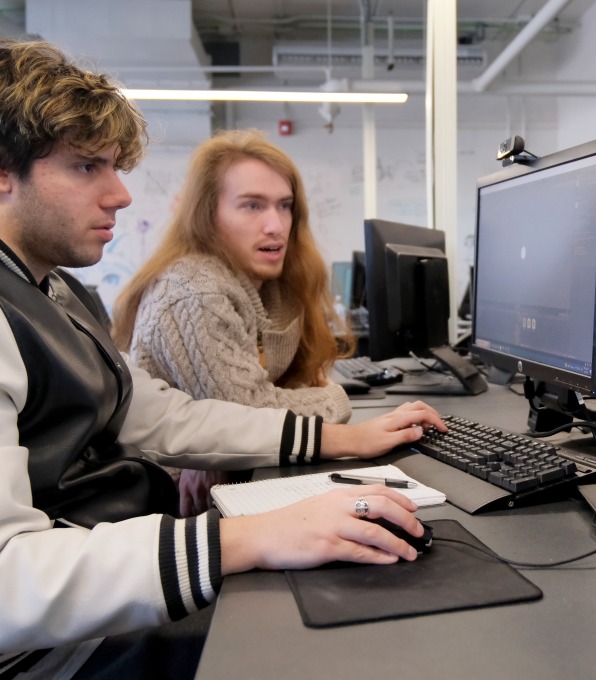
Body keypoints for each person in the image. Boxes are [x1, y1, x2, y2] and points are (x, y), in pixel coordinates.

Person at [0, 38, 446, 679]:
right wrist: (249, 537)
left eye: (115, 166)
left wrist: (340, 440)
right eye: (85, 167)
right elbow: (11, 580)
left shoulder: (54, 292)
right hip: (58, 649)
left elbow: (167, 418)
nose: (121, 195)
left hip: (118, 578)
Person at [111, 129, 354, 515]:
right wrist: (336, 397)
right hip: (165, 503)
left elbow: (279, 393)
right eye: (252, 206)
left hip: (225, 482)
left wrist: (223, 456)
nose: (275, 225)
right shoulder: (197, 291)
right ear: (208, 216)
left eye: (285, 205)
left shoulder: (274, 286)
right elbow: (251, 412)